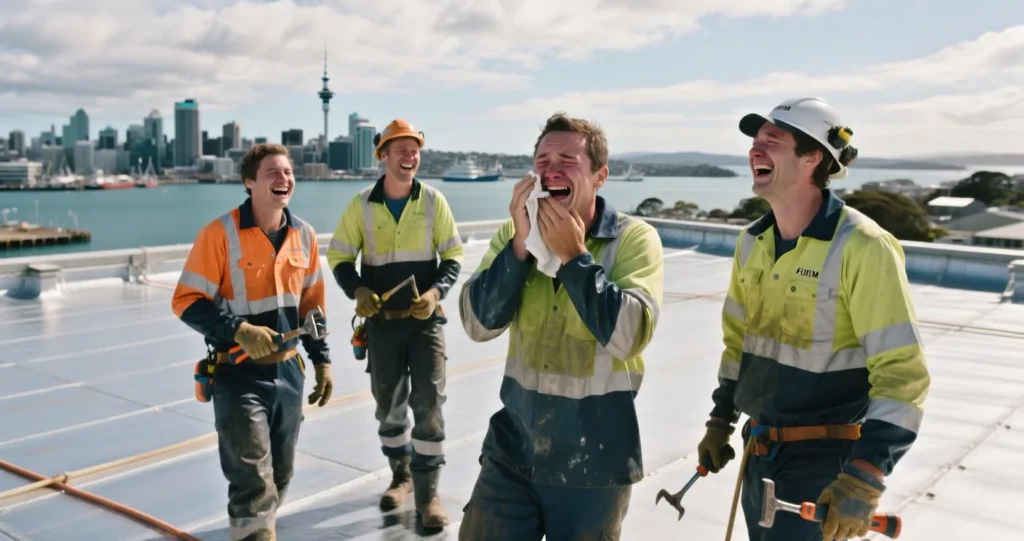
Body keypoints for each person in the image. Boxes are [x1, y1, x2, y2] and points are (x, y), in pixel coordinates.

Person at [695, 97, 931, 540]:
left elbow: (903, 375)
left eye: (773, 140)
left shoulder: (862, 246)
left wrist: (864, 475)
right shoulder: (752, 242)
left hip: (824, 465)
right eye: (754, 140)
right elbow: (737, 347)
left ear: (813, 158)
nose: (755, 150)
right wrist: (720, 421)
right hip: (757, 453)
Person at [457, 112, 665, 540]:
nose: (551, 169)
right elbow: (477, 325)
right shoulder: (514, 236)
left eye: (567, 159)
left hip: (596, 464)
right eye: (542, 159)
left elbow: (629, 336)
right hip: (513, 452)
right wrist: (518, 248)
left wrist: (574, 260)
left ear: (599, 176)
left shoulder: (633, 240)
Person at [171, 143, 334, 541]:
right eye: (272, 173)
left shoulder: (305, 236)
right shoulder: (219, 235)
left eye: (288, 172)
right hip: (238, 373)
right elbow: (186, 301)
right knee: (252, 480)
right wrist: (239, 330)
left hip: (289, 373)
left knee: (280, 473)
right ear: (249, 182)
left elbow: (312, 306)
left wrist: (322, 361)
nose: (284, 179)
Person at [325, 118, 464, 529]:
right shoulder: (361, 205)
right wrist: (359, 291)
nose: (410, 156)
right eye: (400, 149)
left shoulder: (434, 201)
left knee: (429, 404)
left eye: (415, 149)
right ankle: (401, 476)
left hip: (426, 326)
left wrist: (436, 294)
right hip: (382, 326)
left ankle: (428, 494)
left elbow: (453, 257)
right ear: (383, 156)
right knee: (388, 405)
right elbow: (338, 258)